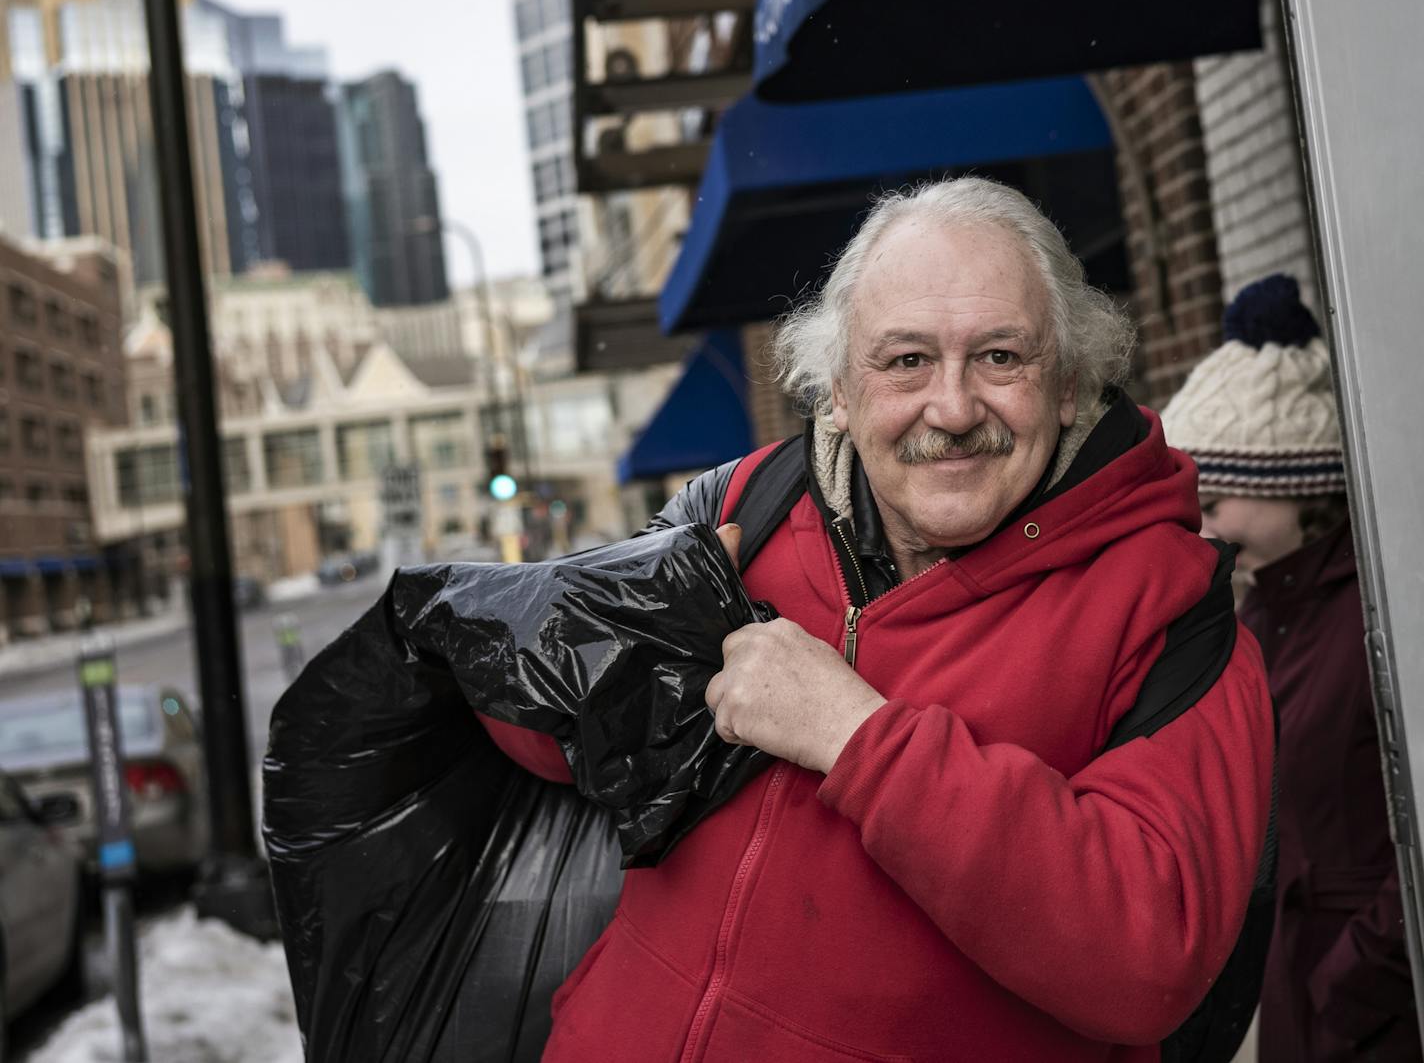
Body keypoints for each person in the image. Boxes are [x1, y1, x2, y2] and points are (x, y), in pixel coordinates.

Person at [481, 177, 1274, 1061]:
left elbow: (1147, 959)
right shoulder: (747, 504)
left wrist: (858, 736)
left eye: (1001, 356)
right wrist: (623, 636)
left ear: (1069, 383)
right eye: (906, 361)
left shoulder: (1166, 602)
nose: (954, 408)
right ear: (839, 396)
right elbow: (534, 738)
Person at [1163, 274, 1420, 1062]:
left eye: (1215, 500)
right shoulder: (1256, 615)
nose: (1200, 527)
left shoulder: (1379, 616)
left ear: (1295, 485)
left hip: (1378, 1001)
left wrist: (1349, 980)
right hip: (1299, 990)